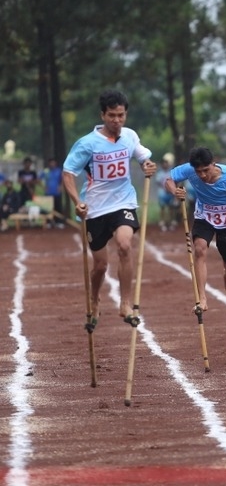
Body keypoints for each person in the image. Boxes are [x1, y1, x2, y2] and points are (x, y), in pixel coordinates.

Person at [62, 89, 157, 329]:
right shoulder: (87, 144)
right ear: (103, 115)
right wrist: (77, 202)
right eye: (112, 115)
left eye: (121, 115)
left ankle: (125, 303)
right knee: (100, 265)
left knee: (125, 245)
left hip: (123, 202)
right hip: (94, 209)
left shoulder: (129, 136)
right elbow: (68, 174)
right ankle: (94, 298)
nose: (117, 120)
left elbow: (143, 157)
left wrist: (147, 165)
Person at [165, 146, 226, 312]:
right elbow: (169, 179)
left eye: (205, 170)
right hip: (204, 215)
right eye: (198, 171)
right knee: (200, 250)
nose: (202, 175)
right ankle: (202, 298)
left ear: (213, 164)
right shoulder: (189, 170)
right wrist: (175, 191)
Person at [155, 157, 178, 231]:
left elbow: (175, 181)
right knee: (163, 207)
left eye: (166, 163)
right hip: (163, 192)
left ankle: (171, 222)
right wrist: (165, 188)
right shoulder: (159, 173)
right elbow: (158, 183)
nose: (165, 165)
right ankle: (162, 222)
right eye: (164, 164)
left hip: (170, 192)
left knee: (171, 207)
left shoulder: (171, 172)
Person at [40, 158, 64, 227]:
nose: (52, 164)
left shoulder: (59, 171)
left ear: (55, 163)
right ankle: (49, 222)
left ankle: (59, 222)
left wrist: (60, 187)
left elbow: (62, 179)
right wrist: (44, 187)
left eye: (53, 163)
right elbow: (39, 179)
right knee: (48, 208)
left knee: (58, 207)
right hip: (48, 193)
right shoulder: (46, 171)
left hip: (56, 192)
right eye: (51, 163)